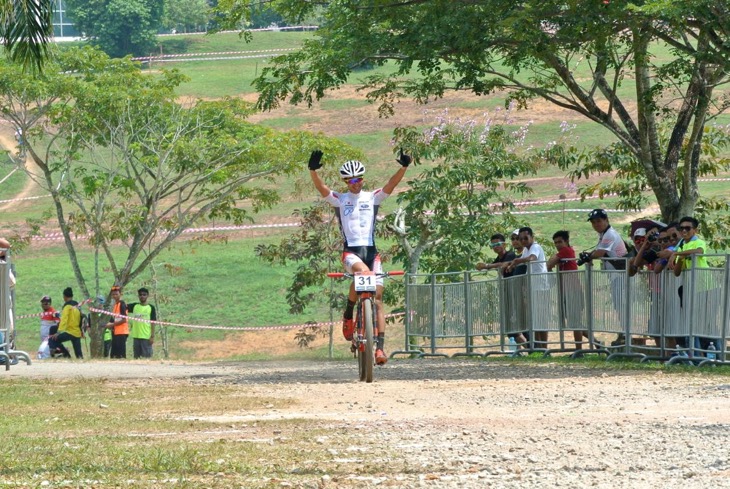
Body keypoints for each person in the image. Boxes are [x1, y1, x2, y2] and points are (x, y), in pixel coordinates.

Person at [308, 148, 411, 365]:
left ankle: (380, 349)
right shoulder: (340, 199)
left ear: (363, 179)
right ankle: (349, 313)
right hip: (351, 252)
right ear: (345, 182)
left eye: (358, 179)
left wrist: (403, 167)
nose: (355, 183)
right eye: (350, 180)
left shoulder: (372, 197)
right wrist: (313, 171)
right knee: (363, 273)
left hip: (372, 252)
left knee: (379, 300)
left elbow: (390, 185)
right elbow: (322, 189)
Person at [671, 216, 719, 354]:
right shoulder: (683, 245)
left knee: (708, 323)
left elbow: (698, 251)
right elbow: (676, 272)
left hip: (707, 288)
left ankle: (716, 355)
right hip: (692, 290)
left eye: (688, 228)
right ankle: (697, 355)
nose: (684, 231)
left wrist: (677, 253)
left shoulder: (699, 242)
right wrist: (679, 257)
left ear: (695, 230)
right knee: (694, 324)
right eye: (681, 228)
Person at [476, 233, 528, 346]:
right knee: (510, 326)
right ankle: (525, 348)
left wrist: (486, 266)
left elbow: (503, 264)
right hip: (507, 292)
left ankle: (532, 348)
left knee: (520, 322)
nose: (495, 247)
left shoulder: (510, 255)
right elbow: (497, 264)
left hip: (516, 292)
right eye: (493, 245)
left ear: (504, 244)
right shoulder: (498, 259)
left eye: (498, 244)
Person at [547, 230, 595, 350]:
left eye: (560, 242)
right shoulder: (564, 252)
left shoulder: (566, 251)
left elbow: (549, 263)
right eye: (555, 243)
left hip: (573, 290)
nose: (558, 245)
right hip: (566, 291)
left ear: (566, 241)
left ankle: (579, 350)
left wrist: (552, 264)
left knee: (575, 322)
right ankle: (596, 342)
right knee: (574, 321)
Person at [505, 227, 550, 349]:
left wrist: (517, 260)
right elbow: (523, 261)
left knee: (541, 318)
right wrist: (513, 264)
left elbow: (531, 259)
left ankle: (544, 347)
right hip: (532, 287)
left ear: (532, 237)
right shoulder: (526, 249)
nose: (523, 241)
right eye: (521, 239)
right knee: (535, 319)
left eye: (526, 238)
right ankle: (539, 348)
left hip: (541, 287)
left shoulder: (535, 247)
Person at [48, 287, 83, 359]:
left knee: (53, 339)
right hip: (77, 332)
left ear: (64, 297)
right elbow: (81, 317)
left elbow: (64, 320)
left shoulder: (67, 307)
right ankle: (83, 365)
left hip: (70, 332)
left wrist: (58, 332)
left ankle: (66, 355)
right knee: (78, 354)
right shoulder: (77, 305)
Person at [127, 287, 157, 359]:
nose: (142, 296)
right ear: (138, 296)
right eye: (140, 295)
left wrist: (152, 336)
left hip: (146, 337)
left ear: (147, 296)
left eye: (144, 294)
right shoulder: (134, 306)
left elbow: (153, 322)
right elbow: (122, 307)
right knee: (136, 358)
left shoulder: (151, 308)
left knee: (147, 358)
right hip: (136, 336)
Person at [105, 286, 129, 359]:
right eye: (113, 294)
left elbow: (124, 319)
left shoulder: (122, 304)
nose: (115, 296)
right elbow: (116, 318)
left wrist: (112, 324)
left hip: (122, 332)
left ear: (120, 294)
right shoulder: (116, 305)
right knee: (113, 355)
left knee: (121, 355)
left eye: (116, 294)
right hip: (116, 332)